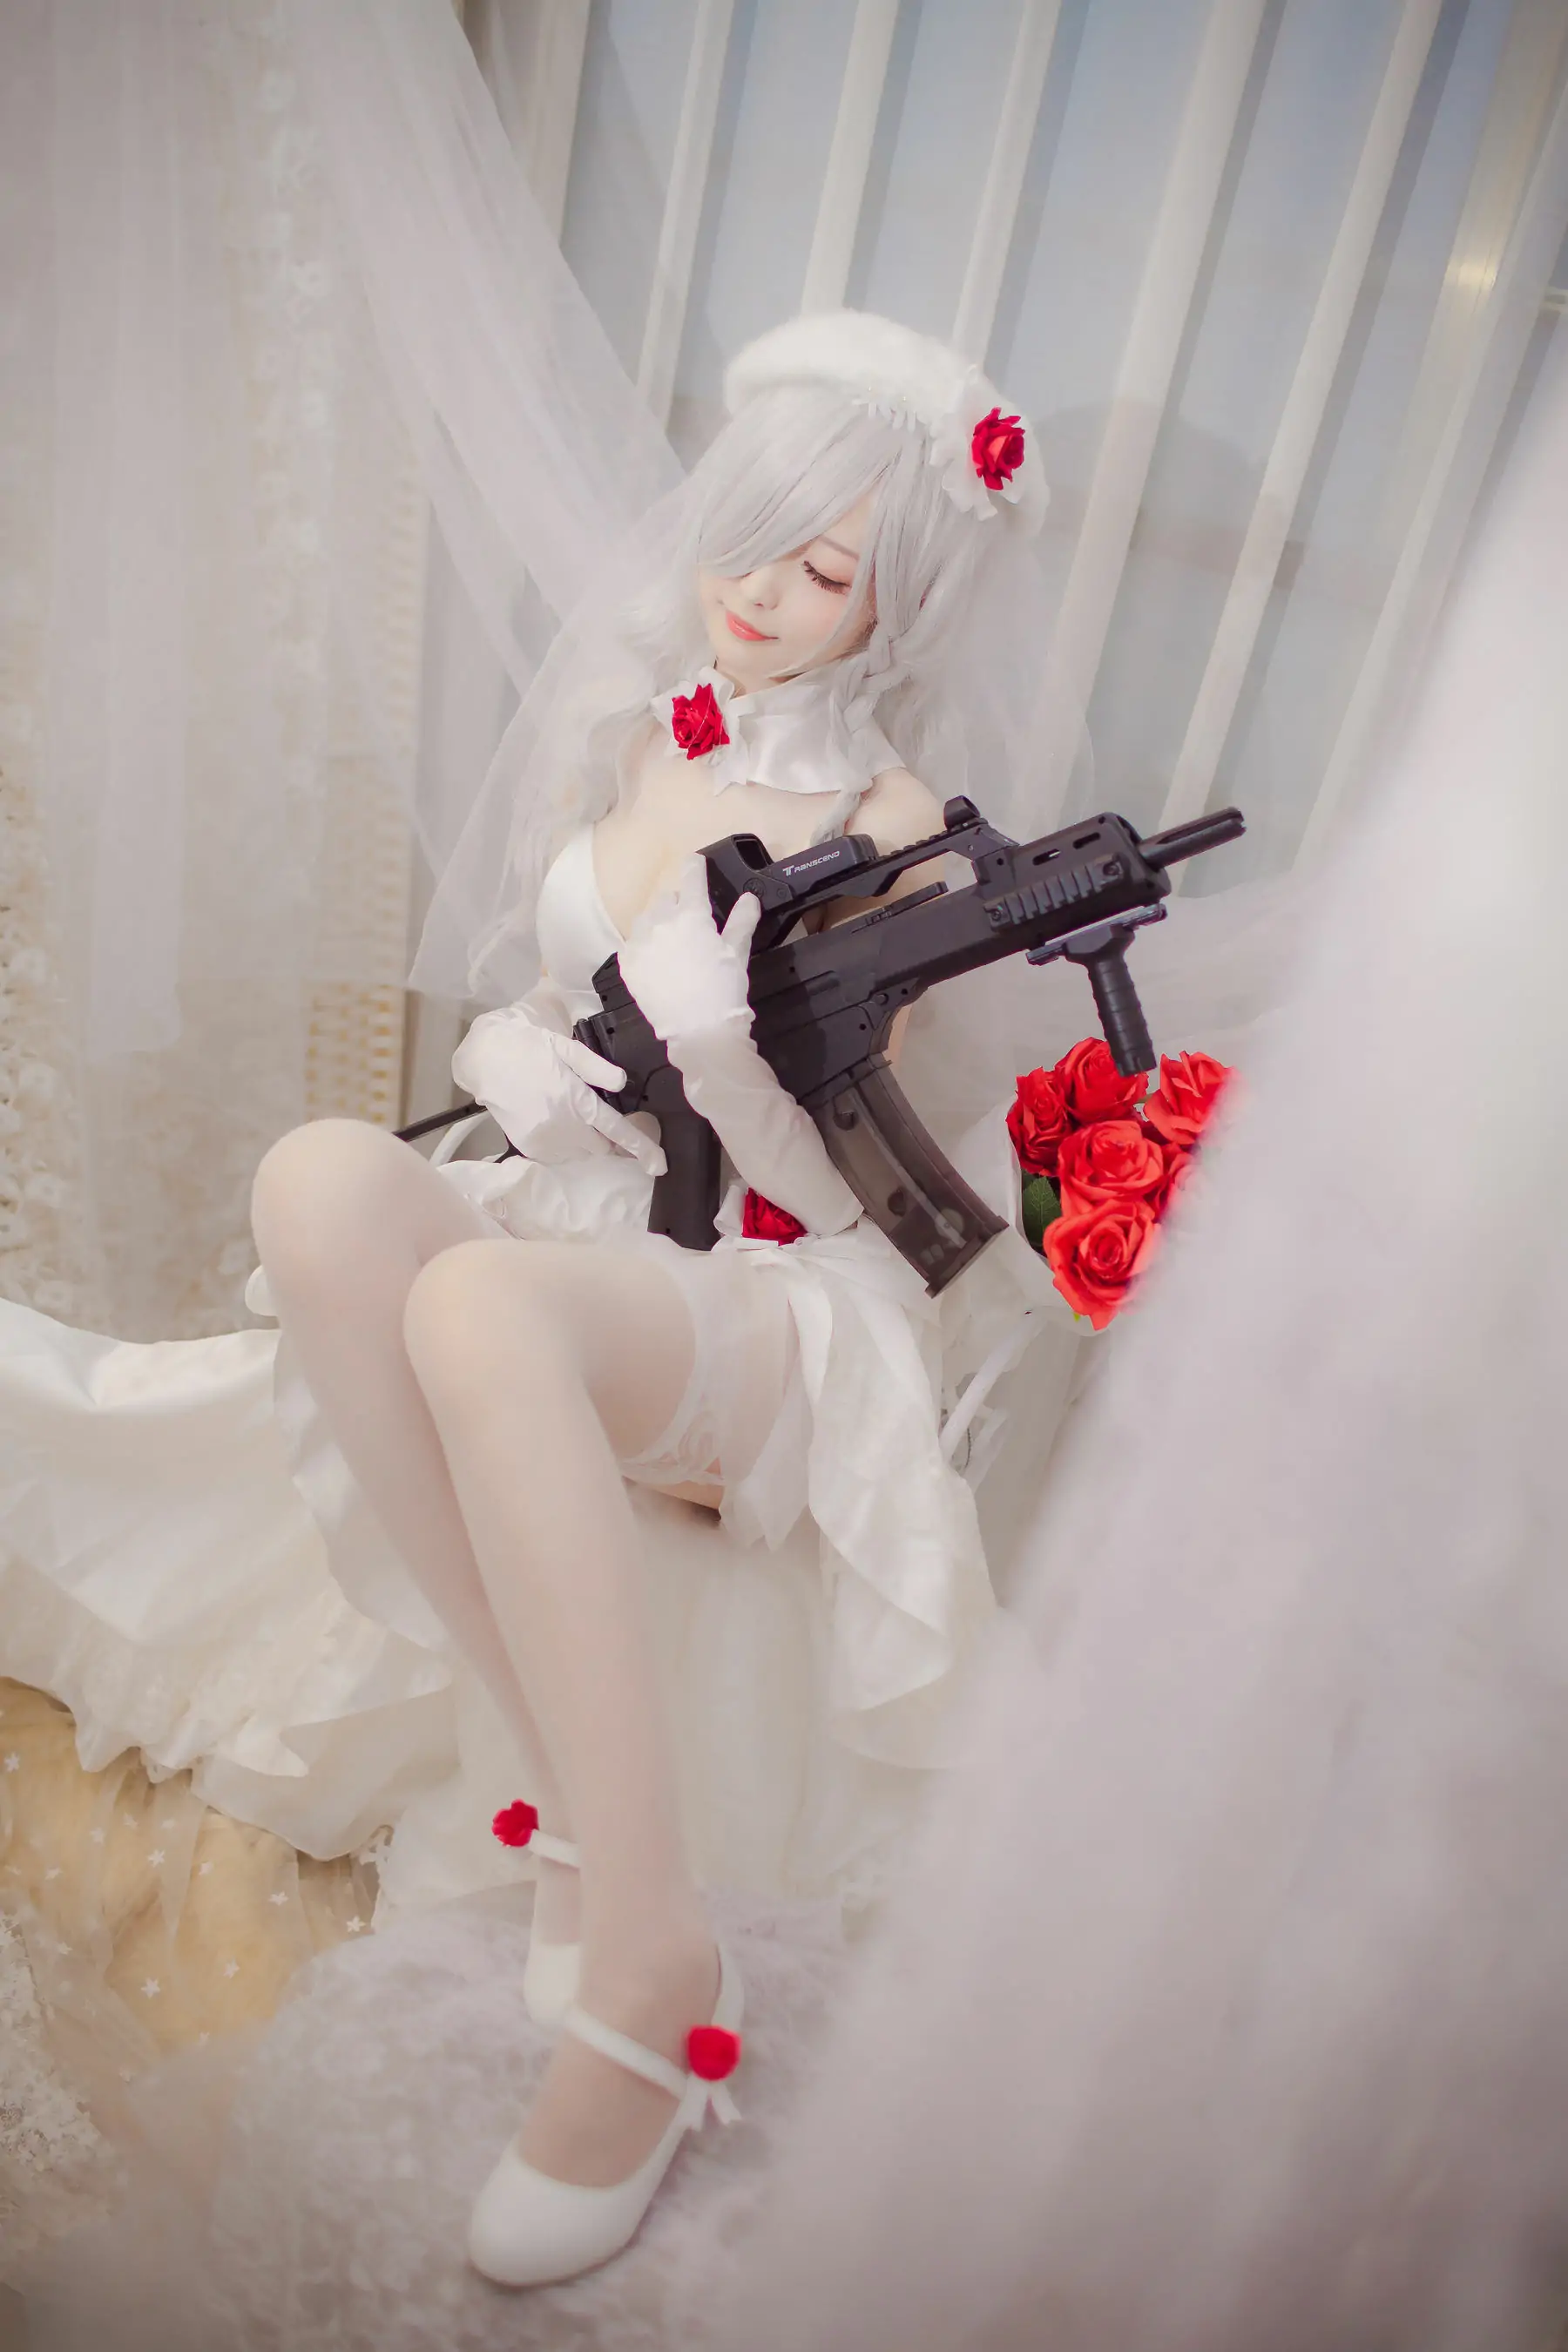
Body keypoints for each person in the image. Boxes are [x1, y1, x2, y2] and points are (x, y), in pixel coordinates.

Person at [0, 312, 1079, 2285]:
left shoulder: (899, 835)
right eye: (744, 539)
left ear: (897, 600)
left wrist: (725, 1066)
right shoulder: (650, 731)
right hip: (589, 1219)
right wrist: (528, 1059)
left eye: (822, 569)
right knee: (319, 1181)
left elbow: (854, 1167)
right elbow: (543, 1006)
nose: (757, 594)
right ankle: (578, 1812)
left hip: (775, 1292)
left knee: (482, 1314)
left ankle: (650, 1951)